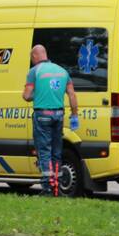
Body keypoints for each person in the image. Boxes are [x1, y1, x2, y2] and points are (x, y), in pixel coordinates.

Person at [22, 45, 79, 196]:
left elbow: (26, 96)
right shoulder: (63, 71)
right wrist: (74, 115)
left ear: (35, 56)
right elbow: (72, 95)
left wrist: (39, 93)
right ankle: (56, 187)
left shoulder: (34, 71)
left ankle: (47, 187)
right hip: (59, 115)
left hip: (42, 115)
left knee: (44, 151)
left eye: (32, 58)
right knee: (56, 151)